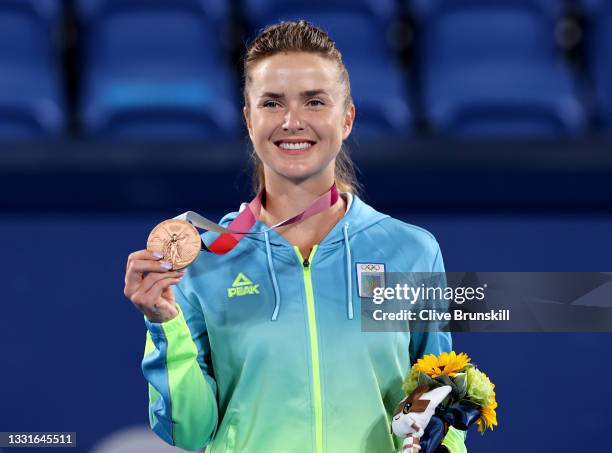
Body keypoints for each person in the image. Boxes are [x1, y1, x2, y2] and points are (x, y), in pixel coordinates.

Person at [123, 20, 466, 453]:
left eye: (314, 101)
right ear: (249, 120)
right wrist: (163, 324)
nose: (292, 121)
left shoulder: (410, 251)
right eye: (271, 103)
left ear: (347, 118)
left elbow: (443, 401)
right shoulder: (204, 258)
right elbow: (188, 430)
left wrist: (439, 445)